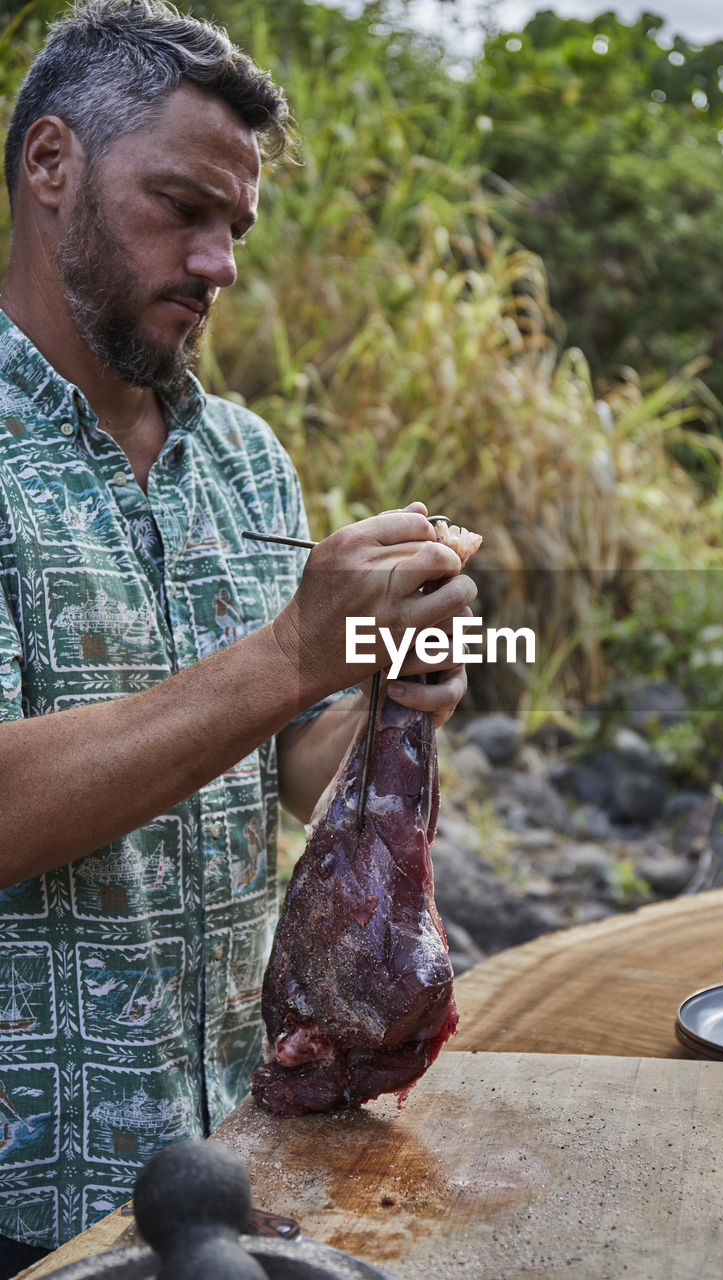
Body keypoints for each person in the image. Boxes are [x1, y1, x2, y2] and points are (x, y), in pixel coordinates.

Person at [0, 0, 476, 1268]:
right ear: (51, 166)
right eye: (181, 208)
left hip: (234, 1156)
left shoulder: (246, 460)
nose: (219, 262)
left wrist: (393, 684)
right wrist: (292, 652)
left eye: (237, 227)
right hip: (21, 1206)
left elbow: (298, 757)